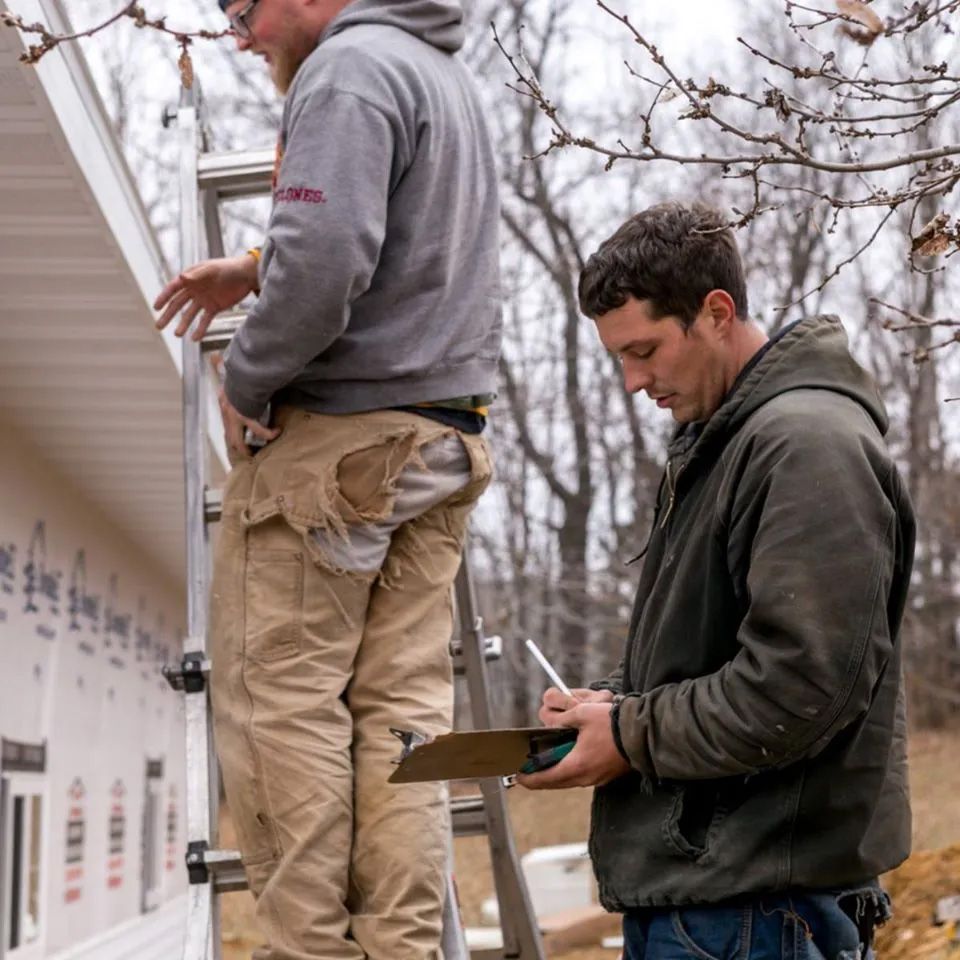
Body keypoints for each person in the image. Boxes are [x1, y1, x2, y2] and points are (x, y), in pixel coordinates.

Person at [154, 1, 500, 957]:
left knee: (279, 705)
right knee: (401, 716)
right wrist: (264, 263)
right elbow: (386, 243)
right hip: (440, 439)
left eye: (243, 8)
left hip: (341, 447)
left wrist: (250, 378)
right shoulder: (438, 76)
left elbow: (330, 261)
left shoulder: (345, 71)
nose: (239, 34)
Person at [519, 201, 915, 960]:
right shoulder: (726, 442)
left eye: (646, 351)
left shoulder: (805, 446)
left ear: (717, 312)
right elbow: (719, 655)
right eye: (619, 359)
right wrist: (613, 704)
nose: (634, 382)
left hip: (758, 911)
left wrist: (630, 735)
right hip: (719, 902)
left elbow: (798, 688)